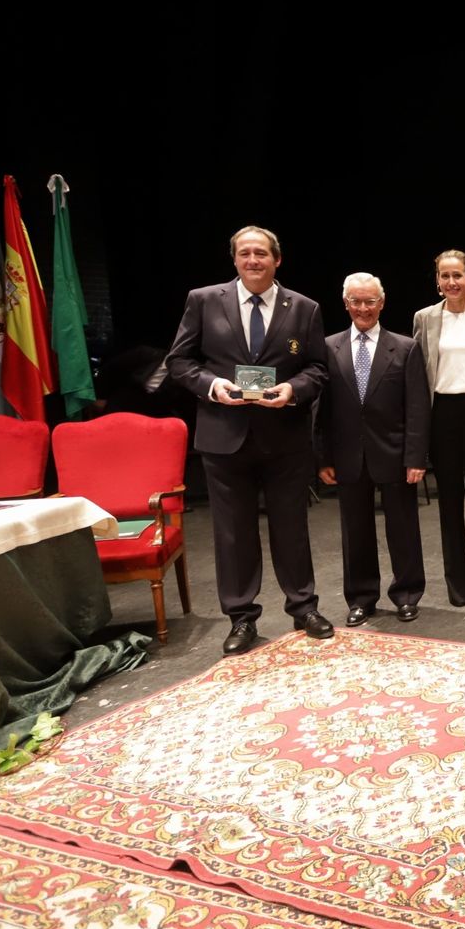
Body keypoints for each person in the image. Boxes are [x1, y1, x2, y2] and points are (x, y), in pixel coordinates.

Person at [164, 226, 332, 654]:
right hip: (225, 437)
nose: (253, 260)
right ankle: (241, 618)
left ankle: (303, 607)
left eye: (261, 253)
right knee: (233, 534)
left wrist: (294, 390)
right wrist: (211, 385)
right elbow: (179, 361)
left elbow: (317, 369)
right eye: (245, 253)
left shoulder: (305, 308)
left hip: (284, 439)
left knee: (292, 529)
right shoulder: (203, 300)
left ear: (278, 260)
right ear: (234, 259)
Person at [316, 273, 429, 626]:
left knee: (404, 529)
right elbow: (321, 411)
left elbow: (417, 408)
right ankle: (361, 598)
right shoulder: (328, 347)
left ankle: (407, 594)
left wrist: (416, 457)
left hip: (395, 455)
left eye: (369, 301)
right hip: (347, 456)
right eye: (356, 301)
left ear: (381, 303)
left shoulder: (406, 347)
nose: (363, 308)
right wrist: (322, 458)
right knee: (355, 532)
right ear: (346, 303)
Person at [412, 250, 465, 606]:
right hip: (442, 413)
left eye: (457, 276)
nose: (451, 283)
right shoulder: (425, 318)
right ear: (437, 280)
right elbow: (417, 374)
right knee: (449, 501)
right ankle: (457, 586)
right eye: (445, 276)